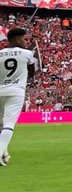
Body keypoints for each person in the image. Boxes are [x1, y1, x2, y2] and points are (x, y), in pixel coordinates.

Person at [0, 27, 38, 166]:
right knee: (9, 124)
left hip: (0, 90)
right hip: (16, 91)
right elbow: (32, 72)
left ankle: (4, 153)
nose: (25, 41)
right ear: (16, 39)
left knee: (1, 125)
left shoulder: (0, 53)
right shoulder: (27, 53)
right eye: (23, 39)